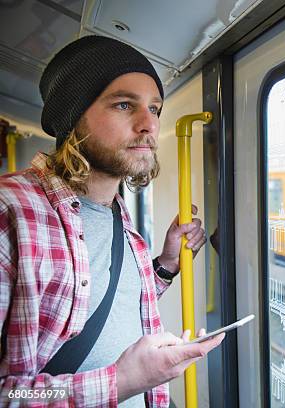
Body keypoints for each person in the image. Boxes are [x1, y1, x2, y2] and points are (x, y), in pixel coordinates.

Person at [0, 35, 224, 407]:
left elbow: (107, 301)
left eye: (154, 108)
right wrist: (122, 382)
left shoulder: (119, 215)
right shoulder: (11, 211)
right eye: (124, 105)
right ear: (73, 117)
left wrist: (166, 264)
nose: (148, 125)